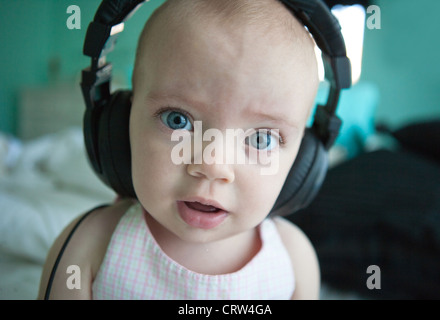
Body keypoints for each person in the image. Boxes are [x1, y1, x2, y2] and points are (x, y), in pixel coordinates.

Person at [38, 0, 321, 300]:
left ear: (302, 161)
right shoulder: (90, 245)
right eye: (178, 120)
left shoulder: (292, 261)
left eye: (262, 138)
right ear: (121, 125)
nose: (213, 165)